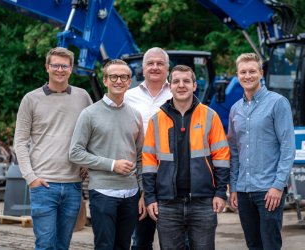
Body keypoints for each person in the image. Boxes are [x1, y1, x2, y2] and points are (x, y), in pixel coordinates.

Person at [142, 65, 230, 250]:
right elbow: (149, 161)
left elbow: (221, 157)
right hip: (167, 203)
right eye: (176, 81)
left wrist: (221, 193)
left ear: (194, 86)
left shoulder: (210, 116)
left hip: (203, 202)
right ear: (170, 86)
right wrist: (150, 197)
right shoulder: (156, 120)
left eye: (186, 81)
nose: (181, 85)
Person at [14, 47, 93, 250]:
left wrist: (88, 161)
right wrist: (31, 178)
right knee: (46, 243)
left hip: (73, 185)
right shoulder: (31, 99)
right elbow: (20, 142)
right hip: (43, 184)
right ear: (47, 67)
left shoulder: (83, 97)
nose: (60, 69)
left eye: (64, 66)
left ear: (71, 68)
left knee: (62, 244)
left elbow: (93, 133)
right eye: (55, 65)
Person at [69, 59, 145, 249]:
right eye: (113, 76)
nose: (118, 81)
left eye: (124, 77)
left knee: (124, 245)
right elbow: (75, 153)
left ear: (129, 81)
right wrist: (112, 164)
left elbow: (140, 156)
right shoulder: (89, 114)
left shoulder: (135, 115)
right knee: (104, 246)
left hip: (131, 193)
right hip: (103, 193)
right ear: (105, 81)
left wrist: (142, 191)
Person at [228, 53, 296, 250]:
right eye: (243, 72)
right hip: (243, 189)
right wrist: (233, 186)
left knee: (270, 245)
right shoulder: (235, 109)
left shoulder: (278, 103)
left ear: (261, 73)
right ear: (237, 75)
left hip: (269, 190)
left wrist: (278, 185)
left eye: (252, 71)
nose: (247, 76)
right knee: (253, 245)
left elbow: (287, 147)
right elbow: (234, 151)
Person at [125, 47, 172, 250]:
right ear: (142, 69)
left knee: (176, 239)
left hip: (173, 175)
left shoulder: (178, 93)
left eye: (160, 63)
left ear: (167, 68)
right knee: (141, 239)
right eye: (150, 63)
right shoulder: (128, 97)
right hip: (139, 175)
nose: (155, 67)